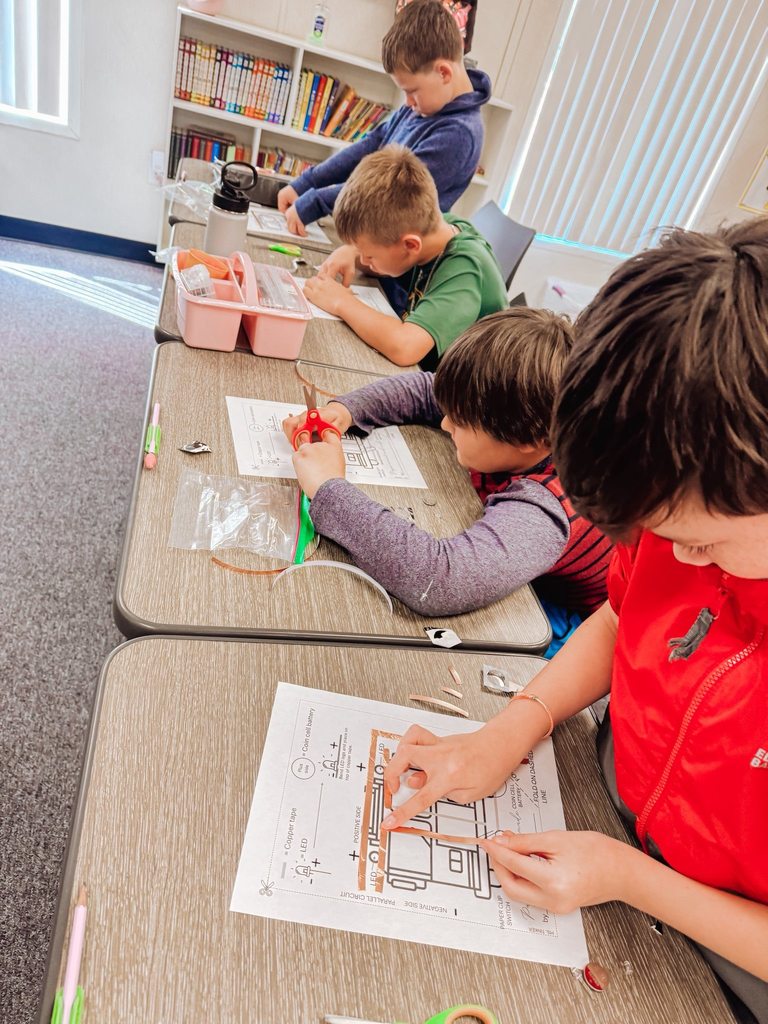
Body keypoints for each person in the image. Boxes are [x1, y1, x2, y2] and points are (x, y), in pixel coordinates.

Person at [380, 218, 768, 1023]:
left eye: (700, 542)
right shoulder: (684, 492)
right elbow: (623, 619)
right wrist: (514, 724)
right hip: (609, 803)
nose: (678, 561)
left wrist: (632, 878)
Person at [282, 308, 612, 617]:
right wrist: (347, 411)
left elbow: (438, 582)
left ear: (530, 440)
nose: (444, 423)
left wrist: (329, 488)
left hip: (561, 609)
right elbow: (427, 390)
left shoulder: (548, 507)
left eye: (460, 421)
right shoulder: (525, 411)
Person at [277, 0, 491, 237]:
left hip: (392, 257)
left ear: (444, 73)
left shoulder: (459, 135)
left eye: (412, 90)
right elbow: (371, 144)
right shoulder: (425, 105)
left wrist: (315, 203)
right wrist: (305, 184)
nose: (407, 102)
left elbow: (390, 193)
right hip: (371, 233)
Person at [301, 146, 508, 369]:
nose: (364, 260)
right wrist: (351, 251)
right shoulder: (436, 228)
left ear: (410, 245)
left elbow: (404, 348)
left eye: (369, 255)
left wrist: (340, 301)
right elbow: (390, 258)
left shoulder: (466, 269)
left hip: (461, 390)